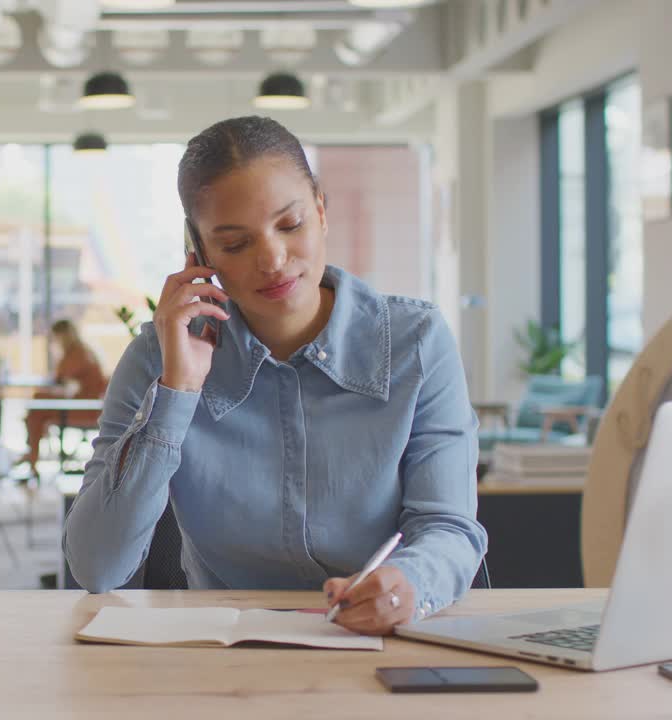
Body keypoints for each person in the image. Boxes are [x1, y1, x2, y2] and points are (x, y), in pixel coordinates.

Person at [63, 116, 487, 637]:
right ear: (200, 256)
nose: (273, 259)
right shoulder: (159, 357)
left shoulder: (416, 342)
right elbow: (97, 567)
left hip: (382, 643)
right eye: (236, 244)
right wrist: (177, 392)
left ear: (322, 212)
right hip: (224, 658)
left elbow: (449, 528)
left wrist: (408, 584)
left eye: (290, 225)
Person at [25, 319, 108, 470]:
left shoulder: (77, 353)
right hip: (85, 405)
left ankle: (32, 455)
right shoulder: (83, 350)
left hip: (85, 410)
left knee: (37, 407)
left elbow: (60, 376)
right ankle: (31, 453)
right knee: (37, 408)